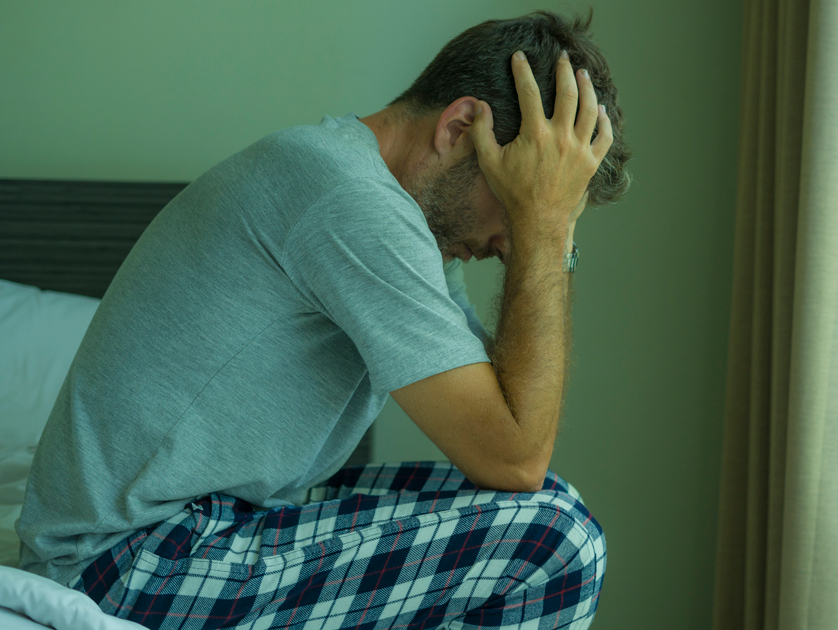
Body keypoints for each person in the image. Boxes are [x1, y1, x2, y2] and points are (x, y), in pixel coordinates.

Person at [16, 10, 631, 630]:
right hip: (125, 563)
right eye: (518, 200)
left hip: (217, 527)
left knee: (549, 504)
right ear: (461, 127)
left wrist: (547, 224)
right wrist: (545, 234)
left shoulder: (389, 212)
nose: (510, 241)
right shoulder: (347, 198)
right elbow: (512, 453)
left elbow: (510, 437)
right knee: (554, 544)